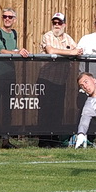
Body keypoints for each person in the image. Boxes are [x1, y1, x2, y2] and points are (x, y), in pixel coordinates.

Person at [0, 8, 30, 149]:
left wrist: (21, 51)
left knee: (7, 108)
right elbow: (1, 50)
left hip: (10, 75)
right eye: (5, 16)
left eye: (10, 17)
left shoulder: (14, 34)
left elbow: (14, 49)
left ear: (14, 19)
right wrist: (17, 53)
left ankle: (6, 140)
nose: (7, 19)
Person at [37, 13, 82, 147]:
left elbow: (78, 50)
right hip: (46, 79)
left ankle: (55, 139)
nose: (57, 25)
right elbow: (50, 50)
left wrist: (75, 52)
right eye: (54, 22)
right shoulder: (48, 35)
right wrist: (70, 53)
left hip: (61, 81)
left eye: (59, 23)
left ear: (64, 24)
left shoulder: (68, 38)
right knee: (45, 111)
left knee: (57, 111)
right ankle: (44, 141)